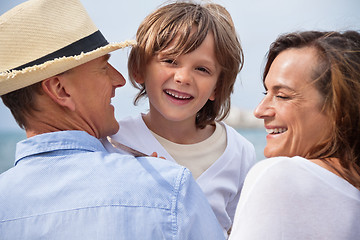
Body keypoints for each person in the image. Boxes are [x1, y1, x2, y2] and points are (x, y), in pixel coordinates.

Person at [0, 0, 225, 239]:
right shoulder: (168, 188)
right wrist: (155, 177)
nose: (119, 80)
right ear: (60, 89)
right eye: (103, 67)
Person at [102, 1, 256, 236]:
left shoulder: (239, 152)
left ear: (217, 87)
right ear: (139, 69)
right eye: (170, 61)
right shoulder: (112, 143)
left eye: (202, 69)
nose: (183, 77)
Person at [229, 30, 360, 240]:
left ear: (341, 110)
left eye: (282, 96)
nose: (259, 111)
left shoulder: (280, 176)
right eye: (266, 93)